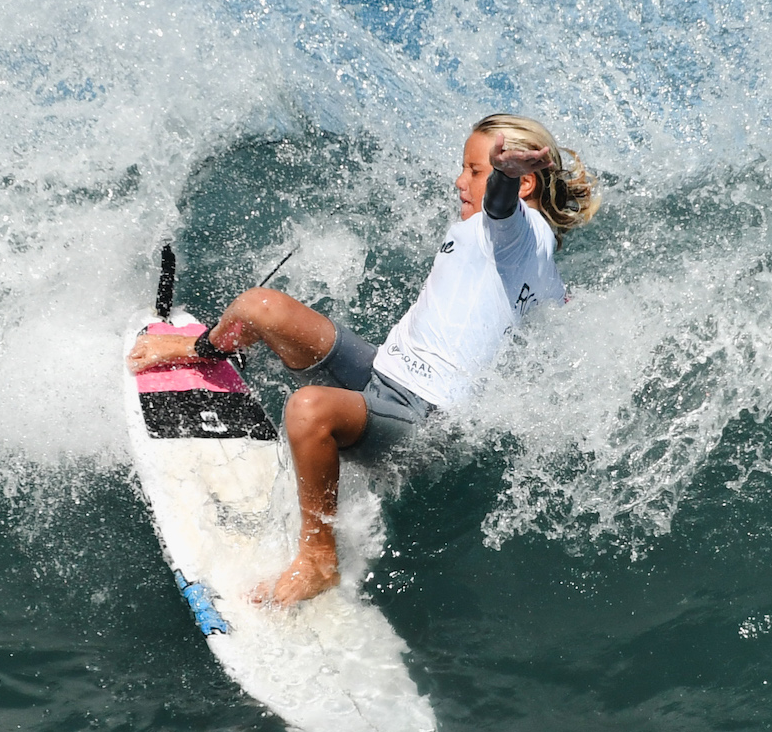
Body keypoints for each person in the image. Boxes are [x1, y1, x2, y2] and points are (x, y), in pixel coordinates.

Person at [128, 113, 602, 604]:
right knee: (259, 307)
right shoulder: (511, 247)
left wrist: (502, 178)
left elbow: (502, 209)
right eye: (464, 168)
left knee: (309, 409)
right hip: (383, 372)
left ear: (522, 183)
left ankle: (317, 560)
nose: (460, 182)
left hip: (419, 417)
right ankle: (202, 347)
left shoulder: (517, 231)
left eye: (476, 172)